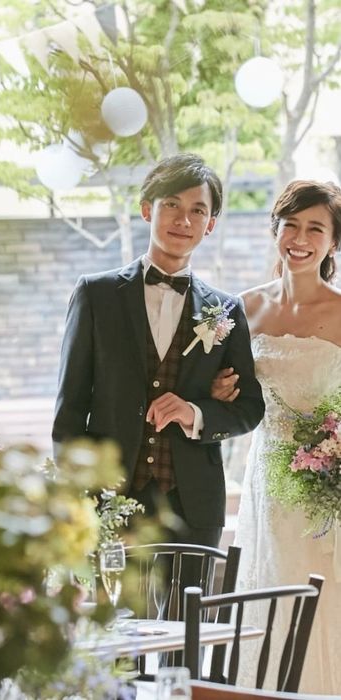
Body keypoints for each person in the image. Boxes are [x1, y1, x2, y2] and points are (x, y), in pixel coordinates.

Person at [52, 152, 265, 552]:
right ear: (147, 209)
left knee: (190, 597)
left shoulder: (226, 309)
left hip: (194, 505)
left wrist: (195, 412)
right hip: (109, 501)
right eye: (172, 204)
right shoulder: (96, 295)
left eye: (197, 210)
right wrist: (74, 495)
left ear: (210, 224)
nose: (184, 220)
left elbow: (250, 408)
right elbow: (70, 408)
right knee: (113, 597)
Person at [211, 179, 341, 694]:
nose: (300, 239)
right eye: (291, 225)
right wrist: (218, 391)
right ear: (275, 230)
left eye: (316, 229)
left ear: (333, 242)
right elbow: (229, 396)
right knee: (268, 588)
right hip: (266, 478)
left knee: (321, 597)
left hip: (326, 490)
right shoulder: (241, 309)